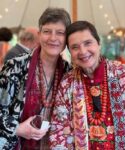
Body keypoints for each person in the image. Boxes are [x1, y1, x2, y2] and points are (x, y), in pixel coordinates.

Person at [50, 21, 125, 149]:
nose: (82, 51)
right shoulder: (67, 83)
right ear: (70, 53)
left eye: (88, 43)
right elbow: (57, 130)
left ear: (99, 44)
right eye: (75, 47)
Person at [0, 7, 71, 150]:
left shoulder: (69, 73)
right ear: (39, 35)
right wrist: (17, 128)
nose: (53, 38)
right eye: (47, 31)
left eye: (60, 33)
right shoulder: (15, 67)